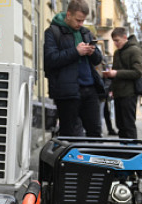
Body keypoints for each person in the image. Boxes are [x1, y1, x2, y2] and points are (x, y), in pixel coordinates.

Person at [44, 0, 105, 137]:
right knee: (70, 134)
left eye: (83, 21)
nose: (80, 24)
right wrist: (76, 52)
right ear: (69, 14)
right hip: (67, 92)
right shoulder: (53, 32)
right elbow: (50, 59)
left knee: (95, 132)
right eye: (78, 20)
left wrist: (92, 52)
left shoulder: (86, 33)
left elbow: (98, 59)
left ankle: (94, 159)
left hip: (90, 90)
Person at [103, 29, 142, 139]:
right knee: (120, 124)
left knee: (128, 124)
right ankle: (124, 149)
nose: (116, 44)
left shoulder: (134, 50)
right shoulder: (117, 53)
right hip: (118, 92)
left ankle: (132, 151)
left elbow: (138, 72)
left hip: (129, 93)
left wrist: (116, 73)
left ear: (125, 37)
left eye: (117, 40)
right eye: (114, 41)